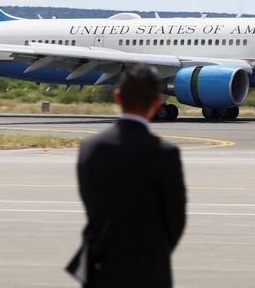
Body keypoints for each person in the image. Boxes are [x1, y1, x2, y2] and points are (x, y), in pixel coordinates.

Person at [67, 64, 187, 288]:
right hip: (150, 265)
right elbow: (175, 219)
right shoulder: (166, 153)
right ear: (157, 102)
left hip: (100, 262)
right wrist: (157, 250)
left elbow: (91, 206)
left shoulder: (91, 147)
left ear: (118, 98)